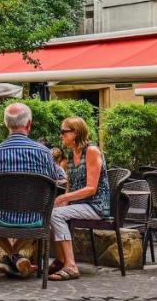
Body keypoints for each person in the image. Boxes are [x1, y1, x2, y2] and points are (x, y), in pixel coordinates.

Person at [0, 102, 66, 279]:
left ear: (5, 124)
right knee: (46, 214)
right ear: (29, 124)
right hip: (35, 216)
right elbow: (55, 179)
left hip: (0, 216)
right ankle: (15, 256)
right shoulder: (44, 153)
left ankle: (10, 255)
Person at [46, 117, 110, 281]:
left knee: (55, 215)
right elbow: (71, 184)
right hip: (80, 204)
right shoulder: (71, 153)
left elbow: (91, 188)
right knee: (49, 213)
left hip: (96, 205)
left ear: (75, 133)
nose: (61, 136)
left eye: (63, 132)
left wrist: (65, 197)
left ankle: (71, 266)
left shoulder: (92, 151)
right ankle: (61, 259)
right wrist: (64, 200)